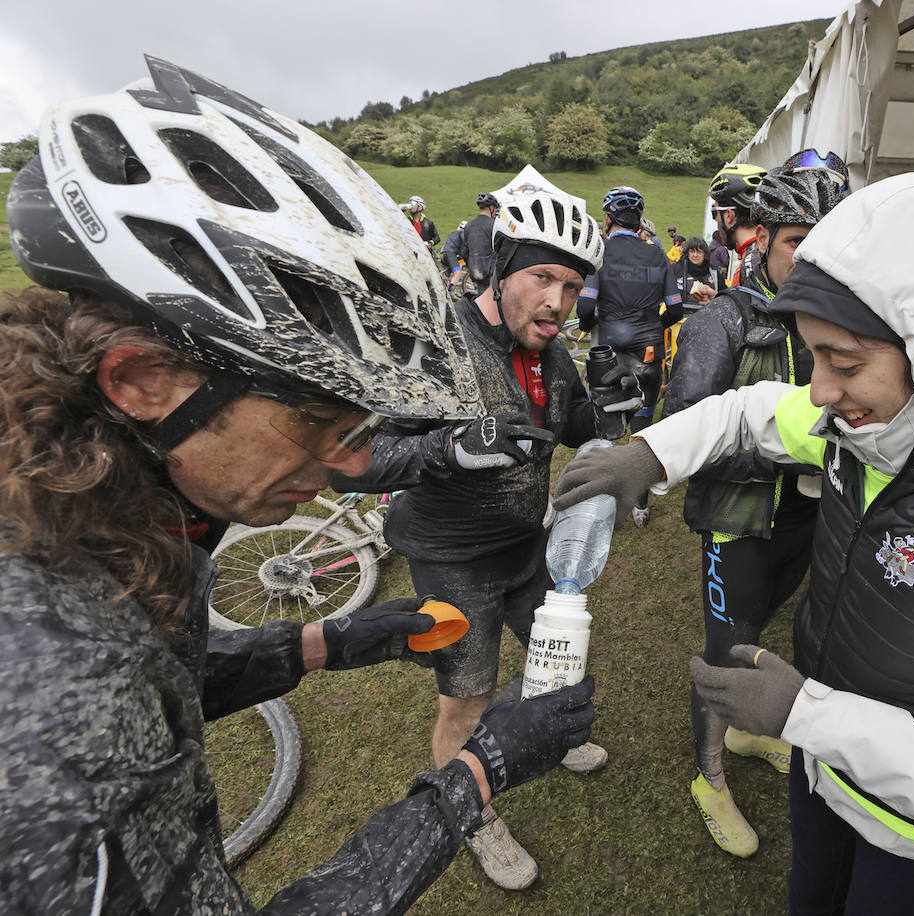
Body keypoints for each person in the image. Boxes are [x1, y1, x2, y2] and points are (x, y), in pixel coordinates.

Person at [0, 57, 595, 913]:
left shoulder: (98, 523)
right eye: (323, 424)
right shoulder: (55, 695)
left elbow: (163, 688)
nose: (354, 466)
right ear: (144, 381)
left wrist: (331, 643)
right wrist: (473, 777)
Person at [556, 173, 914, 915]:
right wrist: (651, 453)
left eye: (844, 362)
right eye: (814, 357)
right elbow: (753, 411)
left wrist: (805, 716)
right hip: (824, 769)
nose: (820, 391)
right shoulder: (873, 425)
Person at [335, 180, 639, 891]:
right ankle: (470, 814)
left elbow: (573, 430)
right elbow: (350, 462)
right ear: (498, 270)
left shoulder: (553, 354)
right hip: (450, 559)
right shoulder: (437, 348)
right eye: (541, 277)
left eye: (571, 285)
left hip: (524, 546)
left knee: (552, 656)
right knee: (467, 699)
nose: (557, 304)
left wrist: (613, 410)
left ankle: (545, 738)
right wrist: (445, 449)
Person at [663, 163, 845, 858]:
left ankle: (744, 732)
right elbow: (682, 429)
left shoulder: (830, 320)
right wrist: (786, 455)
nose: (814, 255)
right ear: (762, 237)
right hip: (737, 520)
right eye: (800, 239)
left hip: (805, 521)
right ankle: (708, 779)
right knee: (724, 652)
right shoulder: (724, 317)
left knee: (763, 628)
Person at [576, 185, 683, 527]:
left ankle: (598, 502)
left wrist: (597, 321)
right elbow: (677, 307)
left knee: (602, 427)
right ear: (639, 222)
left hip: (608, 350)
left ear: (607, 218)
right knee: (642, 426)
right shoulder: (657, 254)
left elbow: (586, 306)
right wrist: (654, 322)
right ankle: (640, 505)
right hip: (648, 349)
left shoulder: (600, 252)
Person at [710, 162, 768, 286]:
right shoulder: (769, 252)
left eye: (715, 213)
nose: (716, 220)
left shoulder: (749, 266)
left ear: (729, 215)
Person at [452, 191, 500, 294]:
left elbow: (464, 251)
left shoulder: (469, 225)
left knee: (481, 298)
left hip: (475, 270)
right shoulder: (494, 225)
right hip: (491, 272)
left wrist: (470, 265)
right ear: (491, 208)